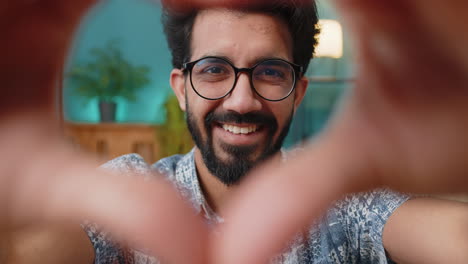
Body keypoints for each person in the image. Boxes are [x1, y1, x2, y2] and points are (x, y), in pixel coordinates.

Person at [1, 0, 467, 263]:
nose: (242, 101)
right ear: (181, 89)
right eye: (213, 70)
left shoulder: (346, 204)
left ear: (298, 90)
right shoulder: (126, 191)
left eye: (269, 71)